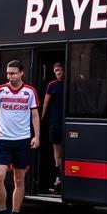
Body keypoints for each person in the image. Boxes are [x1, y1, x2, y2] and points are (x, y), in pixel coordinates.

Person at [0, 60, 40, 214]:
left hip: (22, 141)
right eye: (8, 73)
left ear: (21, 73)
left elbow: (34, 115)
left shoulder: (30, 92)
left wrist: (37, 136)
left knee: (19, 180)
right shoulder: (0, 91)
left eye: (13, 73)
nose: (10, 76)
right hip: (3, 142)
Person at [40, 61, 65, 192]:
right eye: (56, 70)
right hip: (55, 122)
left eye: (60, 69)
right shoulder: (52, 85)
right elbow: (46, 102)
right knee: (57, 152)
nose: (59, 72)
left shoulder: (69, 84)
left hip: (66, 122)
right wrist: (42, 117)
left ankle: (61, 178)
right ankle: (58, 178)